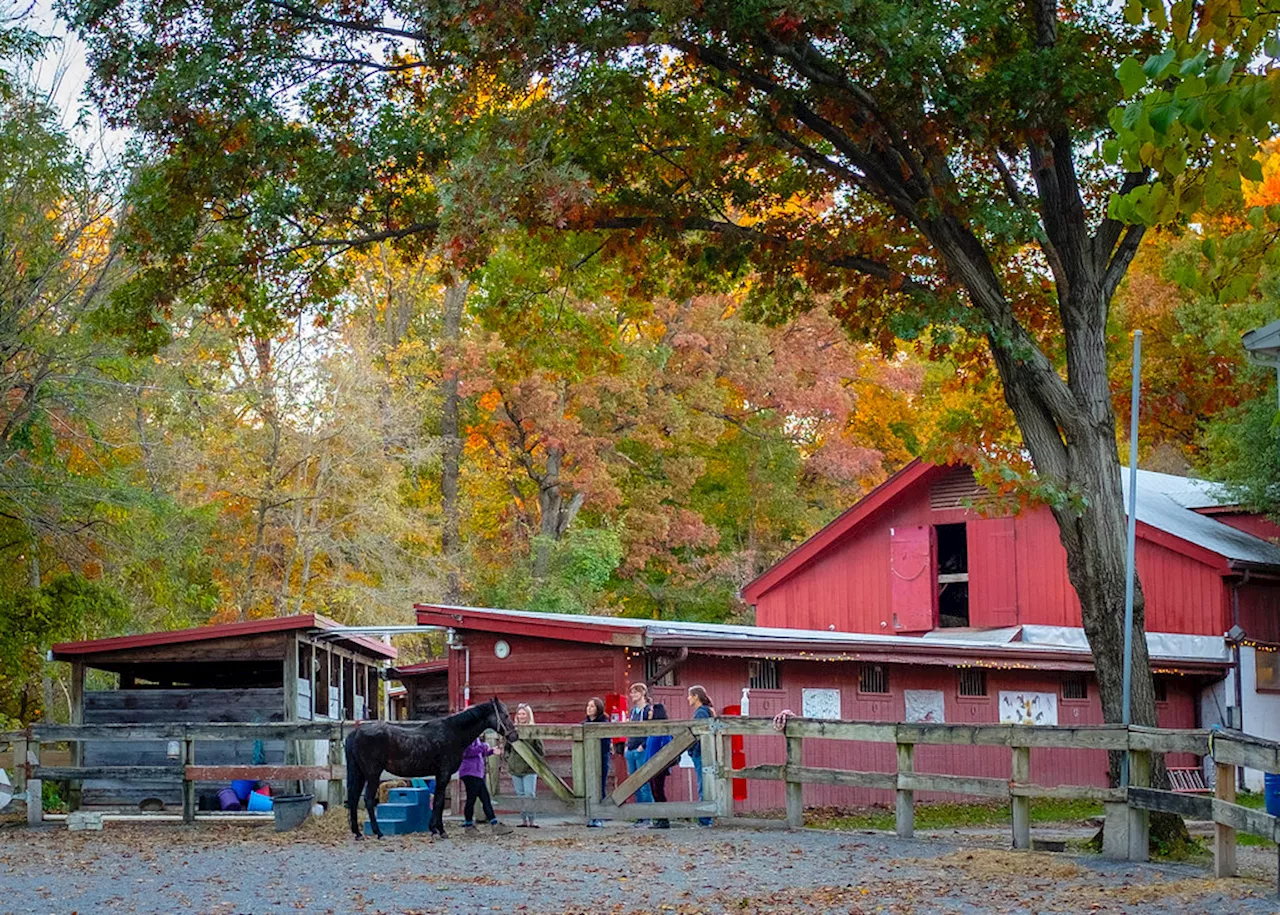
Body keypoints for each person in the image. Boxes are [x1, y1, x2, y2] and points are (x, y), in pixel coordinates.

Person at [459, 735, 510, 834]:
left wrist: (491, 751)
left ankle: (493, 824)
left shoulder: (475, 738)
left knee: (484, 798)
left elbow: (479, 753)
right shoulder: (465, 737)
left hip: (477, 772)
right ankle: (470, 825)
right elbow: (468, 752)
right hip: (470, 772)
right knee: (472, 799)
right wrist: (485, 746)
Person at [504, 703, 543, 827]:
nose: (521, 716)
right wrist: (509, 759)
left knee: (529, 794)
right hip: (515, 767)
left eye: (523, 714)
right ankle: (524, 820)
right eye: (519, 714)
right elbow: (507, 748)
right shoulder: (512, 730)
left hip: (529, 768)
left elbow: (540, 750)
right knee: (520, 795)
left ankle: (532, 820)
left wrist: (535, 761)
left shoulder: (533, 730)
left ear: (528, 715)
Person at [625, 683, 654, 826]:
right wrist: (626, 745)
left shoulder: (648, 710)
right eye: (631, 693)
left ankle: (649, 815)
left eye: (635, 692)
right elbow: (630, 729)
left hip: (641, 749)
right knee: (634, 783)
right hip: (631, 748)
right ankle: (640, 815)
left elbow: (650, 730)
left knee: (644, 782)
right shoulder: (633, 711)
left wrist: (643, 745)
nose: (633, 695)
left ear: (642, 693)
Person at [687, 685, 715, 827]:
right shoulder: (707, 711)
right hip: (706, 752)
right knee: (707, 784)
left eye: (690, 695)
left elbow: (699, 735)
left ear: (696, 696)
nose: (688, 698)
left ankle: (705, 819)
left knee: (703, 785)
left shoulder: (700, 713)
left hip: (701, 753)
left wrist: (692, 751)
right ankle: (708, 817)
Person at [643, 700, 672, 829]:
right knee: (655, 791)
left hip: (659, 764)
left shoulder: (663, 729)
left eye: (651, 710)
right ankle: (660, 818)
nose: (649, 712)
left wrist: (662, 760)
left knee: (659, 791)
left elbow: (667, 744)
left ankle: (663, 819)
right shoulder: (652, 728)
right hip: (651, 764)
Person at [584, 696, 610, 827]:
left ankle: (600, 816)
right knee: (588, 788)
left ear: (598, 708)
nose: (589, 708)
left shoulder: (604, 723)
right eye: (588, 706)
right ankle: (591, 816)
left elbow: (606, 743)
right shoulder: (584, 724)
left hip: (601, 758)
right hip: (587, 759)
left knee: (600, 787)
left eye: (592, 706)